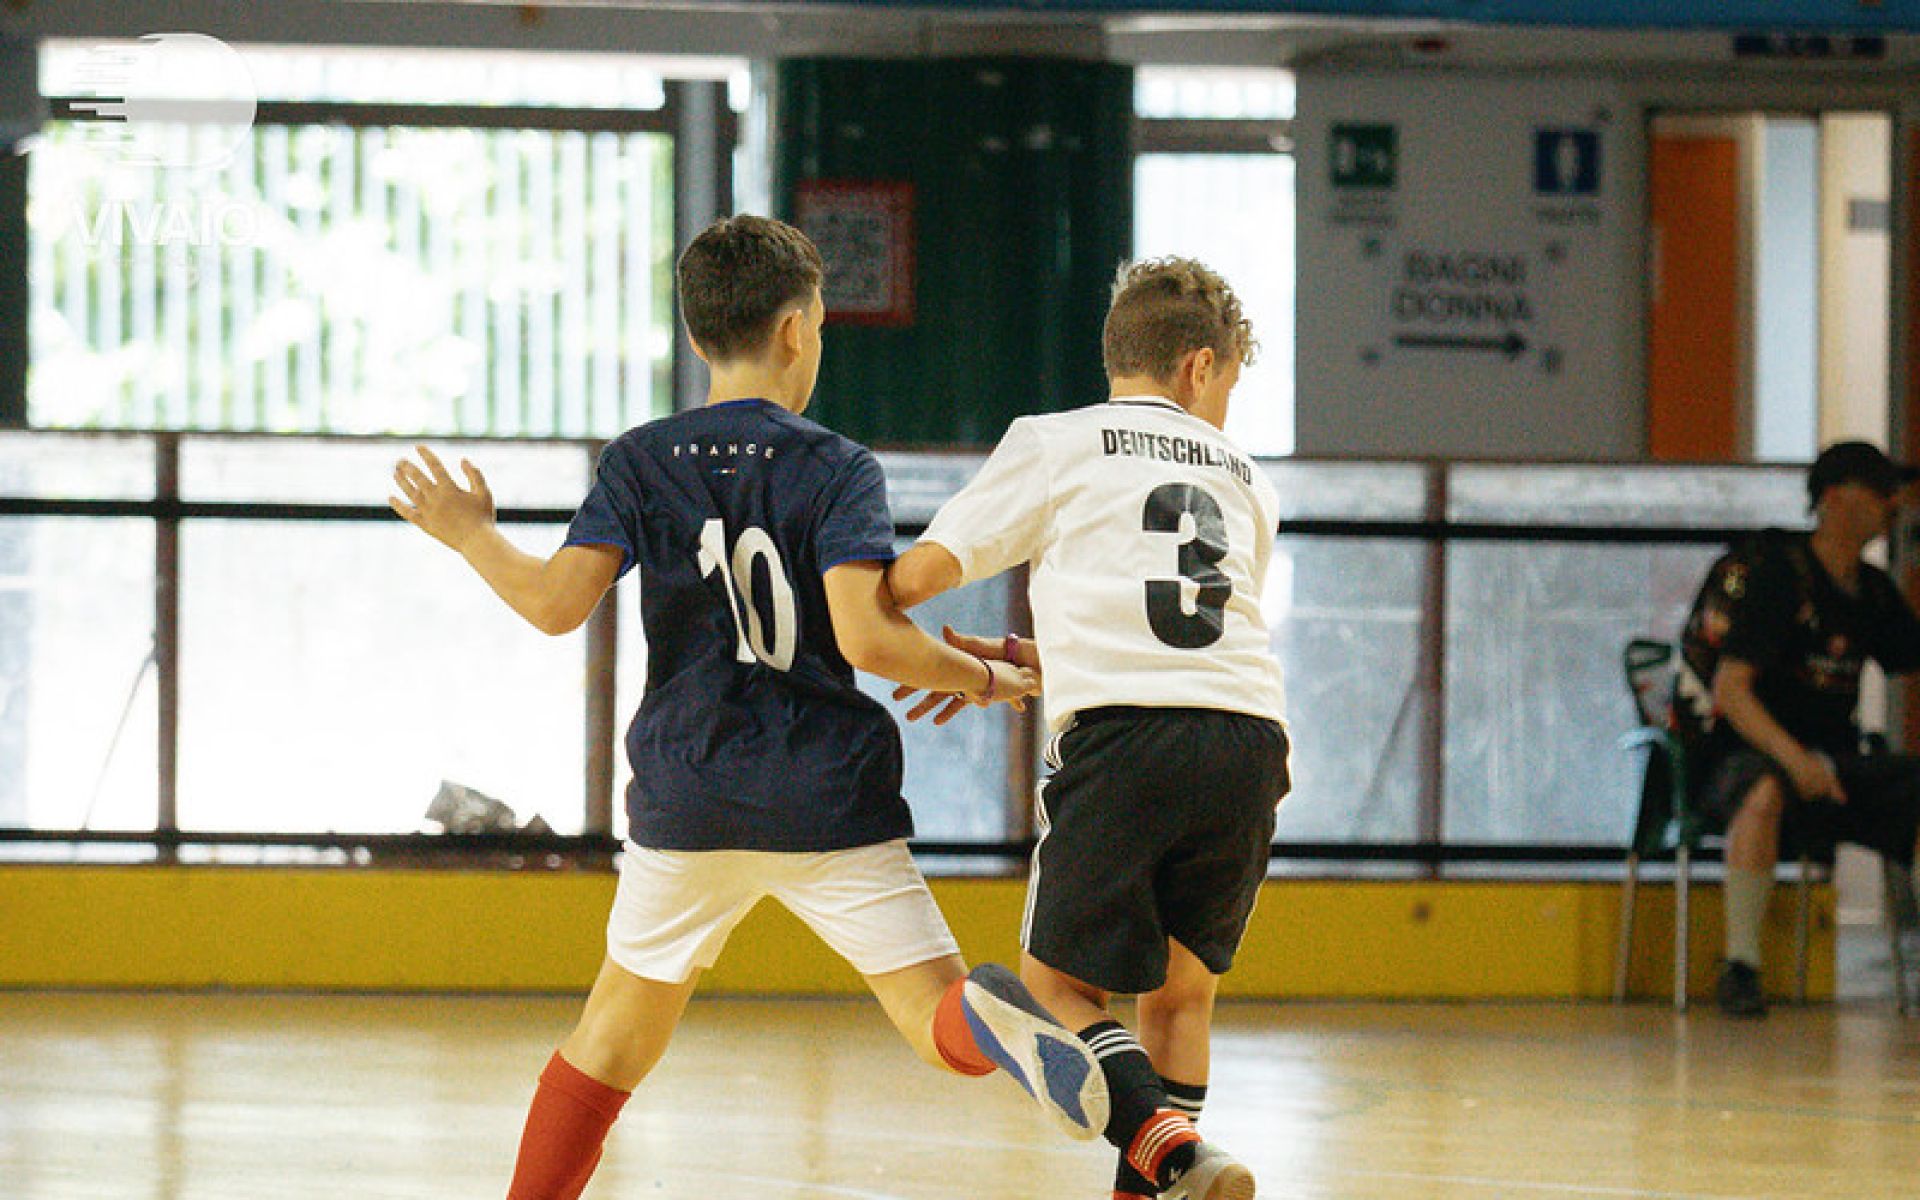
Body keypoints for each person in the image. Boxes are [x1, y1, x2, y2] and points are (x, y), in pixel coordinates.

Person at [388, 214, 1109, 1200]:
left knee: (610, 1043)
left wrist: (472, 533)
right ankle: (990, 1020)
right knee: (934, 1019)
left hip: (689, 797)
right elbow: (867, 639)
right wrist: (983, 678)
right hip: (827, 796)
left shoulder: (640, 461)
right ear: (797, 329)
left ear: (696, 337)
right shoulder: (837, 466)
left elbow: (556, 606)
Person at [887, 257, 1290, 1200]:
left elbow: (922, 575)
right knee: (1180, 1000)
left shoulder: (1058, 441)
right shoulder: (1247, 479)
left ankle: (1174, 1151)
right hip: (1248, 736)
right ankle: (1166, 1169)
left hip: (1123, 741)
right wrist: (1033, 655)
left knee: (1053, 992)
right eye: (1229, 385)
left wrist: (882, 611)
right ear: (1199, 366)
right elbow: (1188, 625)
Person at [1674, 439, 1920, 1018]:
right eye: (1876, 490)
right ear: (1832, 499)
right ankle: (1741, 967)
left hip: (1833, 759)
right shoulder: (1778, 576)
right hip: (1746, 755)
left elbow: (1908, 657)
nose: (1890, 503)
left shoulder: (1873, 591)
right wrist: (1795, 760)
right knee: (1763, 791)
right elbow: (1731, 690)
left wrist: (1820, 765)